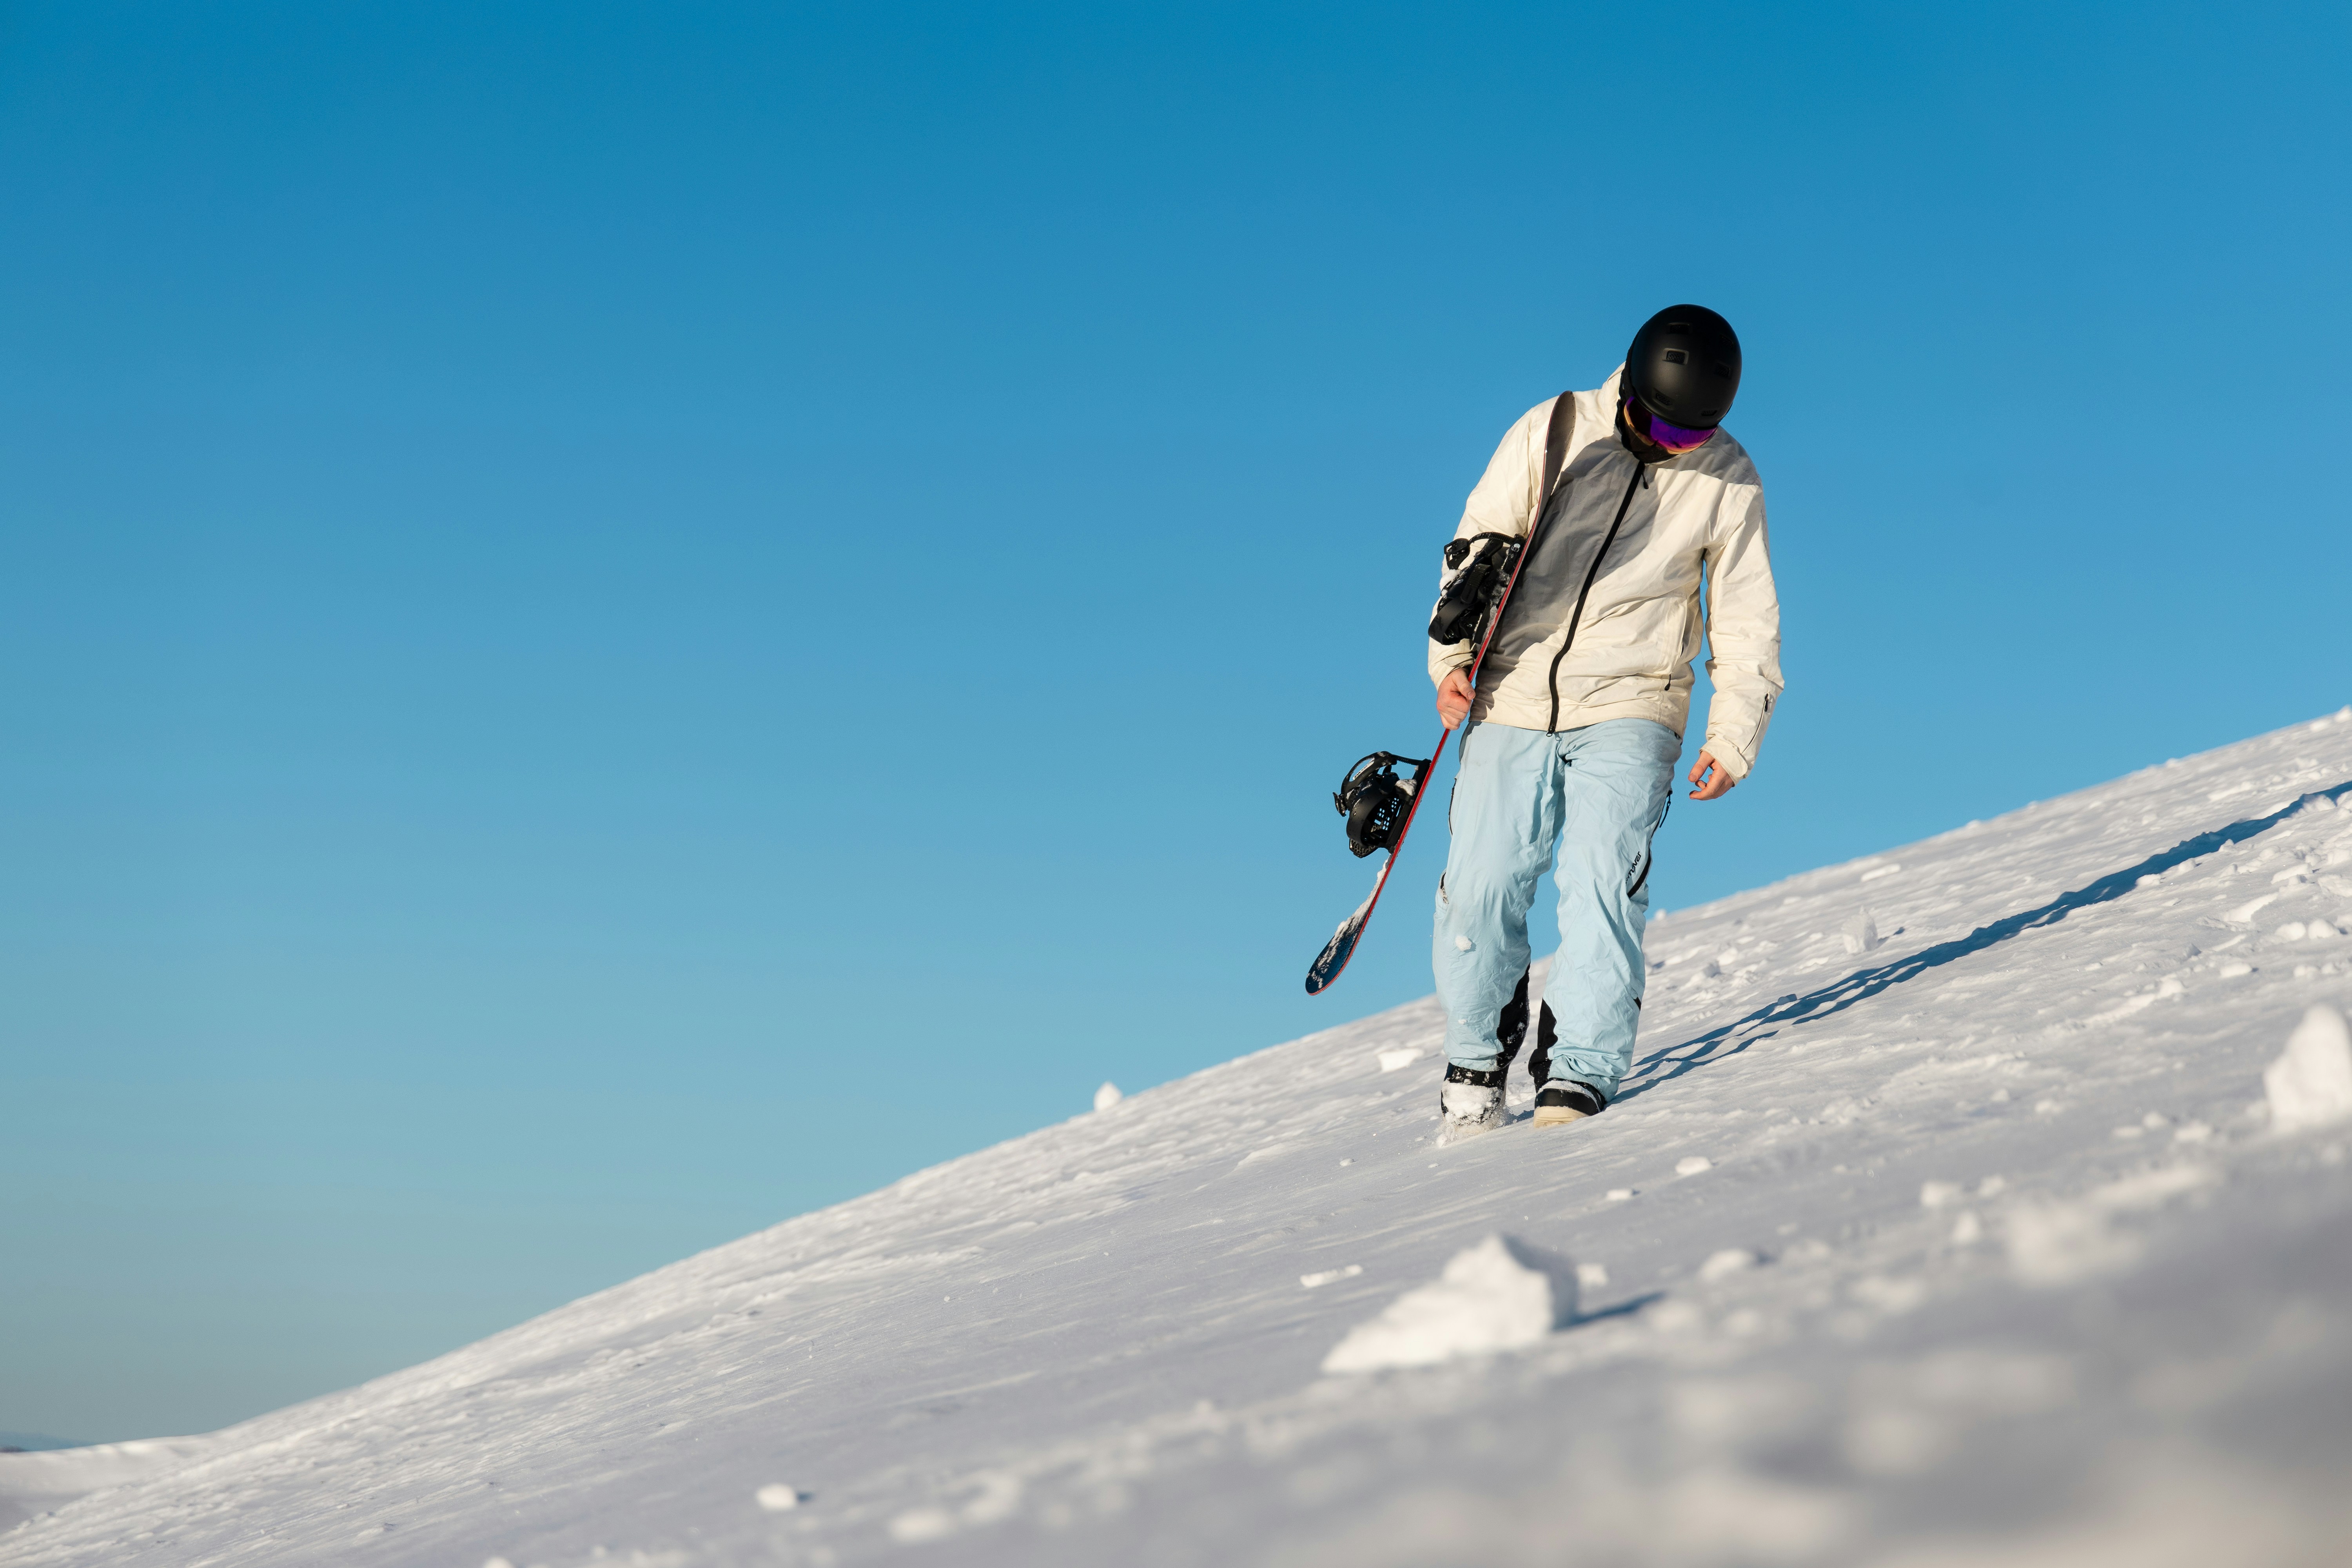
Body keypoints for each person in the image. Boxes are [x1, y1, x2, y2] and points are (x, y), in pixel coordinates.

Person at [1429, 305, 1782, 1140]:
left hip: (1634, 697)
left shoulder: (1729, 478)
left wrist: (1734, 733)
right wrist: (1447, 661)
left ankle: (1579, 1069)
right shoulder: (1553, 430)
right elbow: (1474, 550)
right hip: (1512, 690)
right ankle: (1477, 1058)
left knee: (1598, 877)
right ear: (1629, 389)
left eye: (1693, 435)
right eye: (1662, 424)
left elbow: (1744, 615)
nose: (1673, 445)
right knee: (1480, 886)